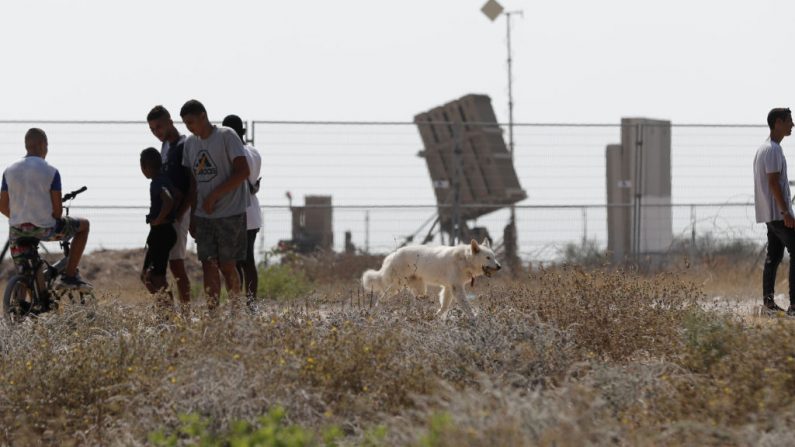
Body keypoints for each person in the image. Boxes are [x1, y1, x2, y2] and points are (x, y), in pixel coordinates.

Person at [180, 99, 250, 312]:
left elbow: (243, 171)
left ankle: (237, 312)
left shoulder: (227, 136)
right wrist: (192, 214)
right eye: (185, 123)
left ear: (203, 116)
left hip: (230, 213)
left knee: (228, 265)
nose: (189, 127)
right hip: (204, 217)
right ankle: (213, 316)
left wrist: (214, 195)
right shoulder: (190, 144)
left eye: (191, 122)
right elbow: (192, 182)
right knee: (208, 264)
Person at [0, 128, 92, 290]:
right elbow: (57, 212)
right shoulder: (51, 171)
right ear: (42, 144)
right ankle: (69, 276)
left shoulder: (9, 171)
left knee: (25, 273)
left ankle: (22, 307)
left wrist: (20, 219)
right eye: (47, 146)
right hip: (45, 229)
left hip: (17, 231)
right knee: (84, 225)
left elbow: (2, 206)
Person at [147, 105, 193, 310]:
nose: (157, 132)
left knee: (176, 265)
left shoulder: (184, 145)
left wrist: (181, 214)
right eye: (153, 129)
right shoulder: (165, 147)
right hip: (165, 217)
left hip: (177, 215)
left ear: (170, 122)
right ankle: (168, 312)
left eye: (159, 127)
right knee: (155, 271)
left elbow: (192, 184)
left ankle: (184, 313)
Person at [754, 107, 795, 315]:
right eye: (789, 121)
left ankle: (768, 304)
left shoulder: (765, 148)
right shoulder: (772, 150)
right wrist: (786, 212)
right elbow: (773, 183)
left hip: (771, 213)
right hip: (778, 214)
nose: (792, 125)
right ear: (778, 122)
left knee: (774, 256)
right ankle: (794, 306)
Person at [222, 114, 262, 308]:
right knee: (248, 261)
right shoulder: (254, 152)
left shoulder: (233, 153)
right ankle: (251, 304)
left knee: (235, 263)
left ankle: (236, 304)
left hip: (236, 211)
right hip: (253, 212)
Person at [139, 148, 178, 312]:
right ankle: (164, 309)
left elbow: (168, 200)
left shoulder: (157, 183)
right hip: (162, 232)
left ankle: (168, 312)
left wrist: (158, 220)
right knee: (147, 276)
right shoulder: (164, 179)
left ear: (144, 167)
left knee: (156, 277)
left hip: (161, 232)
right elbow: (176, 196)